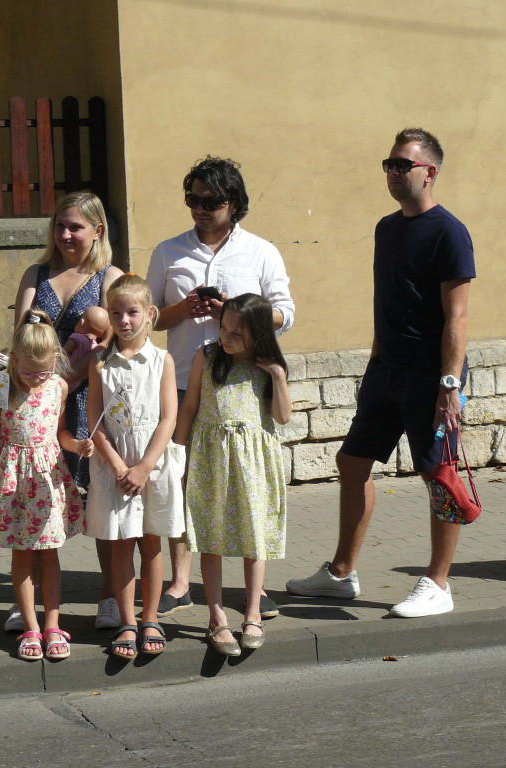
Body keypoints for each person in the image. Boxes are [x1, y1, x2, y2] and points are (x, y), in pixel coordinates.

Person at [286, 128, 476, 618]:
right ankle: (341, 574)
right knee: (352, 461)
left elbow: (456, 315)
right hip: (385, 370)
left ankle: (438, 584)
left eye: (401, 165)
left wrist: (449, 385)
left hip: (431, 376)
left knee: (439, 475)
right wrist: (374, 362)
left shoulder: (448, 231)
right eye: (388, 164)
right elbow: (388, 301)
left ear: (429, 172)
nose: (392, 173)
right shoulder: (386, 228)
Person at [147, 155, 295, 620]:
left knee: (247, 485)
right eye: (192, 199)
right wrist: (184, 309)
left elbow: (285, 314)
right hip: (186, 380)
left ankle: (255, 591)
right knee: (185, 480)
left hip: (244, 386)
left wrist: (237, 311)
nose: (199, 208)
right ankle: (179, 581)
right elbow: (147, 317)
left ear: (234, 203)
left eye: (210, 201)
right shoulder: (168, 252)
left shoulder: (261, 251)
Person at [14, 191, 124, 631]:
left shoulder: (109, 276)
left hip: (90, 401)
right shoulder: (35, 273)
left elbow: (118, 342)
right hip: (38, 402)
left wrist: (71, 380)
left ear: (97, 230)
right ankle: (29, 603)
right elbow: (20, 337)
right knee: (34, 499)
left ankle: (111, 594)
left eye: (75, 227)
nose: (64, 234)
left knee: (97, 499)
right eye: (60, 225)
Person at [176, 294, 292, 655]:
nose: (227, 337)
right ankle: (216, 618)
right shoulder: (207, 357)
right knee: (209, 536)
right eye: (223, 327)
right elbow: (190, 407)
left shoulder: (267, 366)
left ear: (257, 333)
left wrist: (277, 374)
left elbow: (283, 417)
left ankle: (253, 613)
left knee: (253, 536)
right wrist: (178, 456)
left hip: (254, 464)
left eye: (237, 333)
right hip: (211, 458)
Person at [0, 309, 90, 661]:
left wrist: (77, 446)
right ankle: (30, 626)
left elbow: (59, 434)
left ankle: (53, 624)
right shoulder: (1, 389)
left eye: (43, 370)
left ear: (55, 361)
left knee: (50, 555)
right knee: (22, 556)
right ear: (13, 361)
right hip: (14, 484)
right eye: (28, 371)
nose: (35, 378)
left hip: (48, 481)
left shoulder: (57, 386)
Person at [85, 275, 185, 659]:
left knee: (151, 541)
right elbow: (95, 419)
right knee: (122, 543)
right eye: (116, 313)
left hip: (152, 463)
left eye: (132, 312)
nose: (124, 320)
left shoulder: (162, 360)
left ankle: (150, 617)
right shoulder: (100, 363)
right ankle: (127, 621)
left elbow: (168, 419)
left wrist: (143, 467)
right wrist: (115, 464)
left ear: (150, 314)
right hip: (115, 466)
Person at [64, 306, 111, 386]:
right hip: (77, 382)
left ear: (81, 322)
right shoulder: (95, 347)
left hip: (64, 373)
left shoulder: (77, 337)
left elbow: (63, 352)